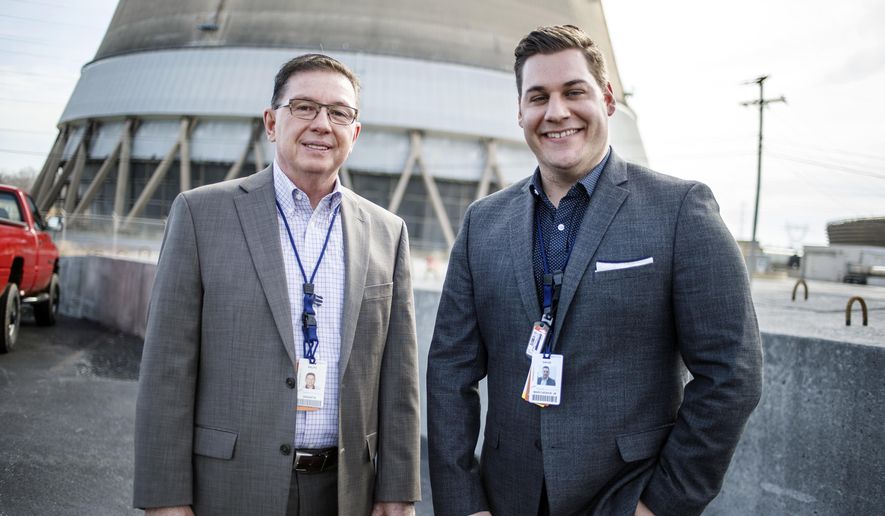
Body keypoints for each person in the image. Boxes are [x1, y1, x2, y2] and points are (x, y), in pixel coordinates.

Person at [427, 25, 762, 516]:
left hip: (624, 495)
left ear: (606, 99)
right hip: (505, 499)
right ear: (519, 111)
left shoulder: (680, 210)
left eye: (574, 91)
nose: (556, 112)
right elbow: (448, 374)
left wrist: (660, 505)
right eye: (538, 97)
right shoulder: (484, 222)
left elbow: (732, 374)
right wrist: (464, 503)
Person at [134, 54, 420, 516]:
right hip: (229, 487)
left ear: (355, 132)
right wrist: (164, 499)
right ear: (271, 122)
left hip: (346, 492)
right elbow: (167, 369)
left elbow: (399, 379)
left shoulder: (388, 232)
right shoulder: (201, 214)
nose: (322, 124)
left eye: (339, 113)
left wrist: (398, 491)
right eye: (304, 107)